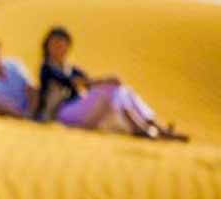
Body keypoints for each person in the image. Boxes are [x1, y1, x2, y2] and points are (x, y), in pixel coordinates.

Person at [35, 27, 188, 141]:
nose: (59, 47)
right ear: (47, 45)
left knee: (123, 90)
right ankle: (140, 129)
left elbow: (88, 85)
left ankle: (154, 126)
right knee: (111, 88)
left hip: (79, 111)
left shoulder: (72, 69)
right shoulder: (47, 68)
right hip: (61, 115)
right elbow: (72, 82)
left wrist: (105, 83)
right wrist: (105, 80)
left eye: (62, 43)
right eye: (54, 43)